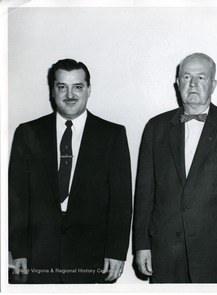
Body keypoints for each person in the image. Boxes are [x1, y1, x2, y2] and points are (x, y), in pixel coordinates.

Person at [134, 53, 217, 283]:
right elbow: (144, 194)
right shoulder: (155, 128)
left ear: (213, 84)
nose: (193, 84)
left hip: (216, 256)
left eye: (201, 77)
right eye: (186, 77)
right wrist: (141, 245)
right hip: (165, 254)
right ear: (177, 83)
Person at [9, 59, 132, 284]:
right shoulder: (27, 133)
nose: (70, 94)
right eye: (62, 87)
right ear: (52, 90)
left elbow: (121, 201)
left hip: (90, 256)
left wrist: (116, 251)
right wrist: (18, 250)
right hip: (38, 256)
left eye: (78, 87)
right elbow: (17, 197)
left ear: (88, 90)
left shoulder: (112, 135)